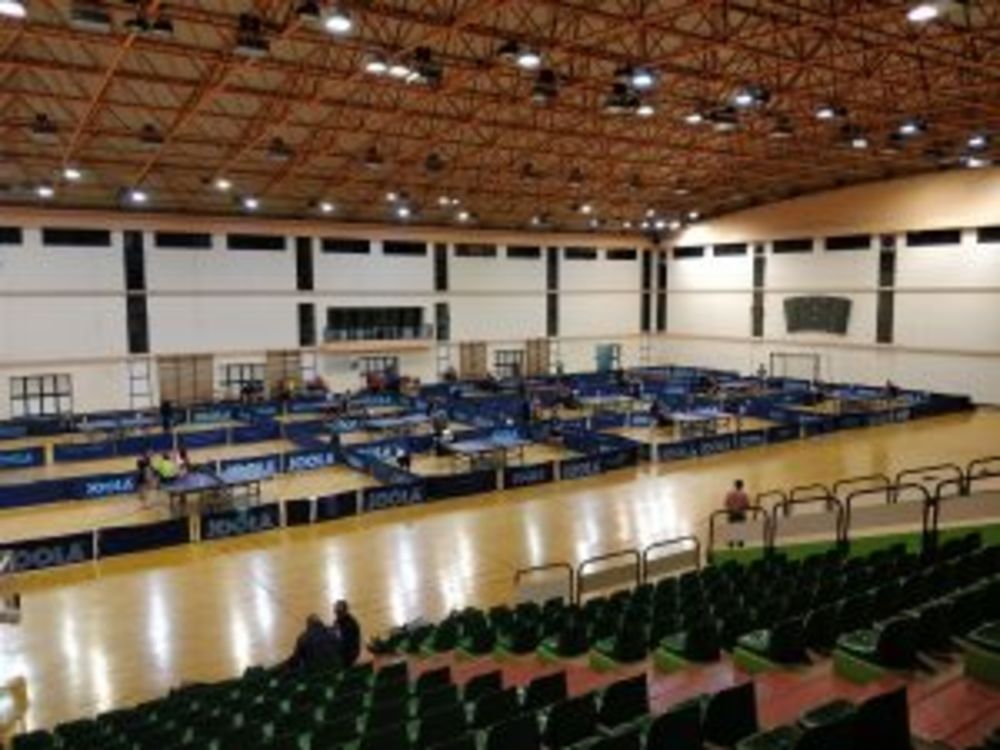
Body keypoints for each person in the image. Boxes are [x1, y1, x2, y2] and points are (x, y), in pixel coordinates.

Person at [332, 600, 361, 668]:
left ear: (345, 611)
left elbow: (346, 643)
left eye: (339, 613)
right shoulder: (338, 621)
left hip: (350, 653)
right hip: (345, 649)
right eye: (336, 612)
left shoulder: (351, 625)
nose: (337, 615)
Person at [725, 480, 751, 549]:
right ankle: (740, 544)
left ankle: (731, 544)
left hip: (731, 514)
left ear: (735, 485)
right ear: (742, 486)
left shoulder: (729, 493)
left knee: (731, 528)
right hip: (741, 514)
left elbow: (726, 503)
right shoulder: (744, 494)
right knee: (741, 528)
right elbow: (747, 505)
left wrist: (732, 508)